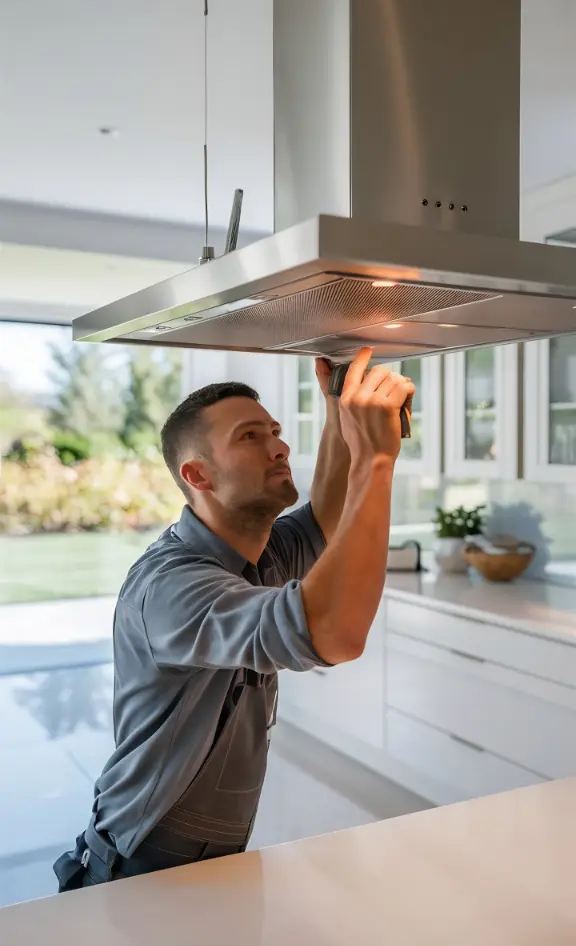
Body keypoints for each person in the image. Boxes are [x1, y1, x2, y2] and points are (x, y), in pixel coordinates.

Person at [54, 347, 414, 890]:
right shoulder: (172, 587)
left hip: (215, 854)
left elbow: (329, 514)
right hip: (141, 864)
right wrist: (375, 460)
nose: (280, 447)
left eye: (274, 431)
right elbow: (333, 633)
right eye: (251, 437)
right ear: (197, 474)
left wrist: (339, 402)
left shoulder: (261, 550)